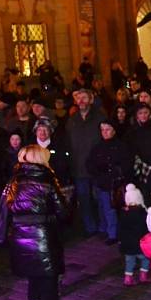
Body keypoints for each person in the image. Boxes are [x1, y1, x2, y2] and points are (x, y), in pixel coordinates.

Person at [0, 145, 70, 300]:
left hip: (21, 239)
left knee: (33, 281)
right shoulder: (48, 180)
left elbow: (3, 211)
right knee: (49, 284)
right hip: (45, 238)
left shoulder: (13, 182)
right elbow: (63, 213)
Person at [86, 119, 133, 245]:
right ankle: (106, 229)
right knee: (103, 207)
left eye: (107, 130)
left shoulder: (121, 146)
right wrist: (97, 173)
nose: (104, 132)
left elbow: (126, 165)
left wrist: (115, 172)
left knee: (111, 209)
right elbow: (90, 163)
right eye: (102, 130)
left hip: (115, 184)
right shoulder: (97, 147)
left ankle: (114, 234)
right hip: (101, 182)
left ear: (113, 130)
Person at [67, 88, 106, 237]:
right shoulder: (72, 120)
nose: (81, 101)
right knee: (84, 199)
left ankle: (104, 226)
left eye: (84, 98)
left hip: (97, 166)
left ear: (90, 100)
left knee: (101, 198)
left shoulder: (99, 117)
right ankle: (90, 227)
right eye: (79, 98)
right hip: (79, 166)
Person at [117, 184, 151, 286]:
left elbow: (120, 229)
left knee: (129, 261)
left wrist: (120, 240)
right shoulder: (142, 213)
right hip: (140, 244)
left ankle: (128, 278)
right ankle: (143, 275)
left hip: (127, 244)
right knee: (146, 259)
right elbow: (146, 228)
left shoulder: (123, 213)